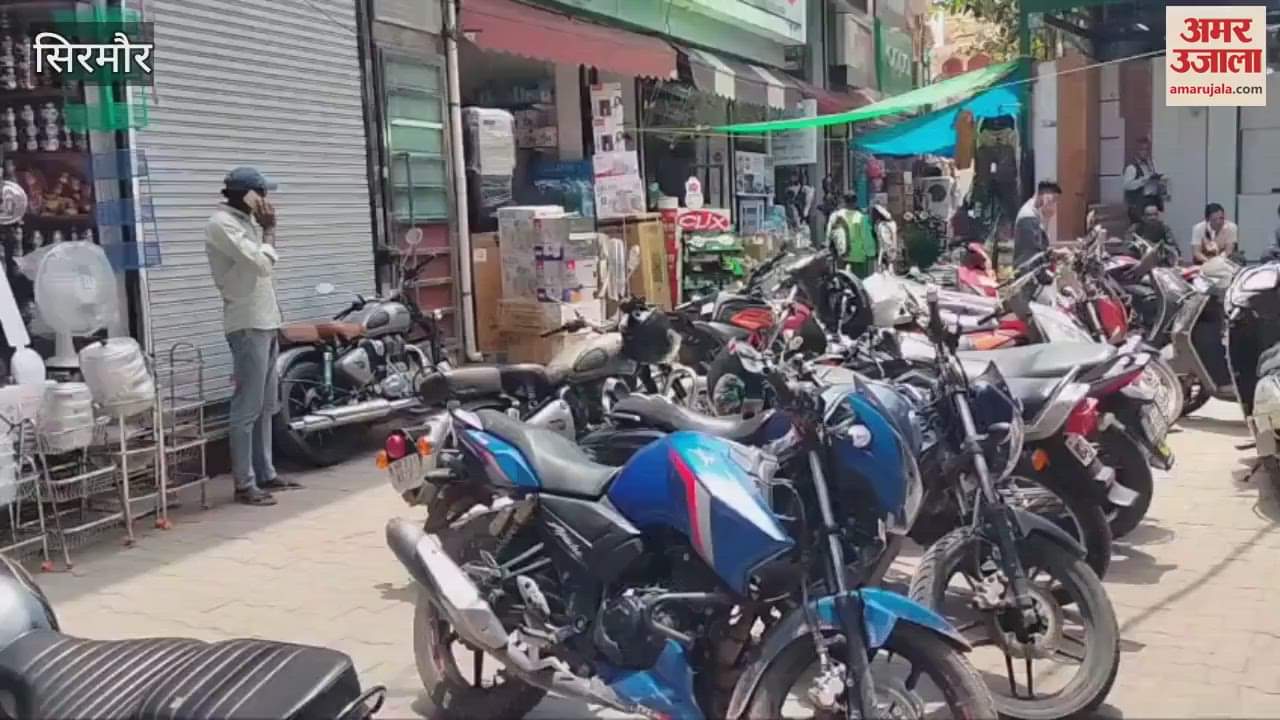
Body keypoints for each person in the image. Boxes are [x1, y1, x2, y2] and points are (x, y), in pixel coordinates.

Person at [205, 167, 301, 506]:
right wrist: (270, 231)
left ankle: (266, 472)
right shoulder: (222, 225)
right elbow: (261, 264)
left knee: (265, 405)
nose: (267, 203)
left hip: (265, 321)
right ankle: (244, 483)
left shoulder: (245, 223)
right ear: (248, 195)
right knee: (247, 407)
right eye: (262, 195)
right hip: (246, 324)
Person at [1012, 180, 1062, 269]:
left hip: (1032, 270)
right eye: (1053, 200)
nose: (1054, 204)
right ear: (1043, 196)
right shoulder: (1028, 217)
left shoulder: (1034, 214)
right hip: (1027, 272)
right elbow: (1036, 252)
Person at [827, 192, 876, 277]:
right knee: (859, 283)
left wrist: (829, 249)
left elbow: (829, 234)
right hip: (858, 257)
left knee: (841, 280)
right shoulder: (861, 217)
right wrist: (871, 253)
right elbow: (866, 238)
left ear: (844, 201)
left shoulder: (835, 216)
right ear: (855, 202)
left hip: (840, 255)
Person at [1122, 136, 1163, 224]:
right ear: (1137, 151)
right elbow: (1127, 185)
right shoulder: (1131, 167)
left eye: (1147, 149)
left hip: (1152, 201)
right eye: (1142, 149)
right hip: (1139, 205)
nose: (1145, 152)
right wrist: (1143, 180)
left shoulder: (1150, 165)